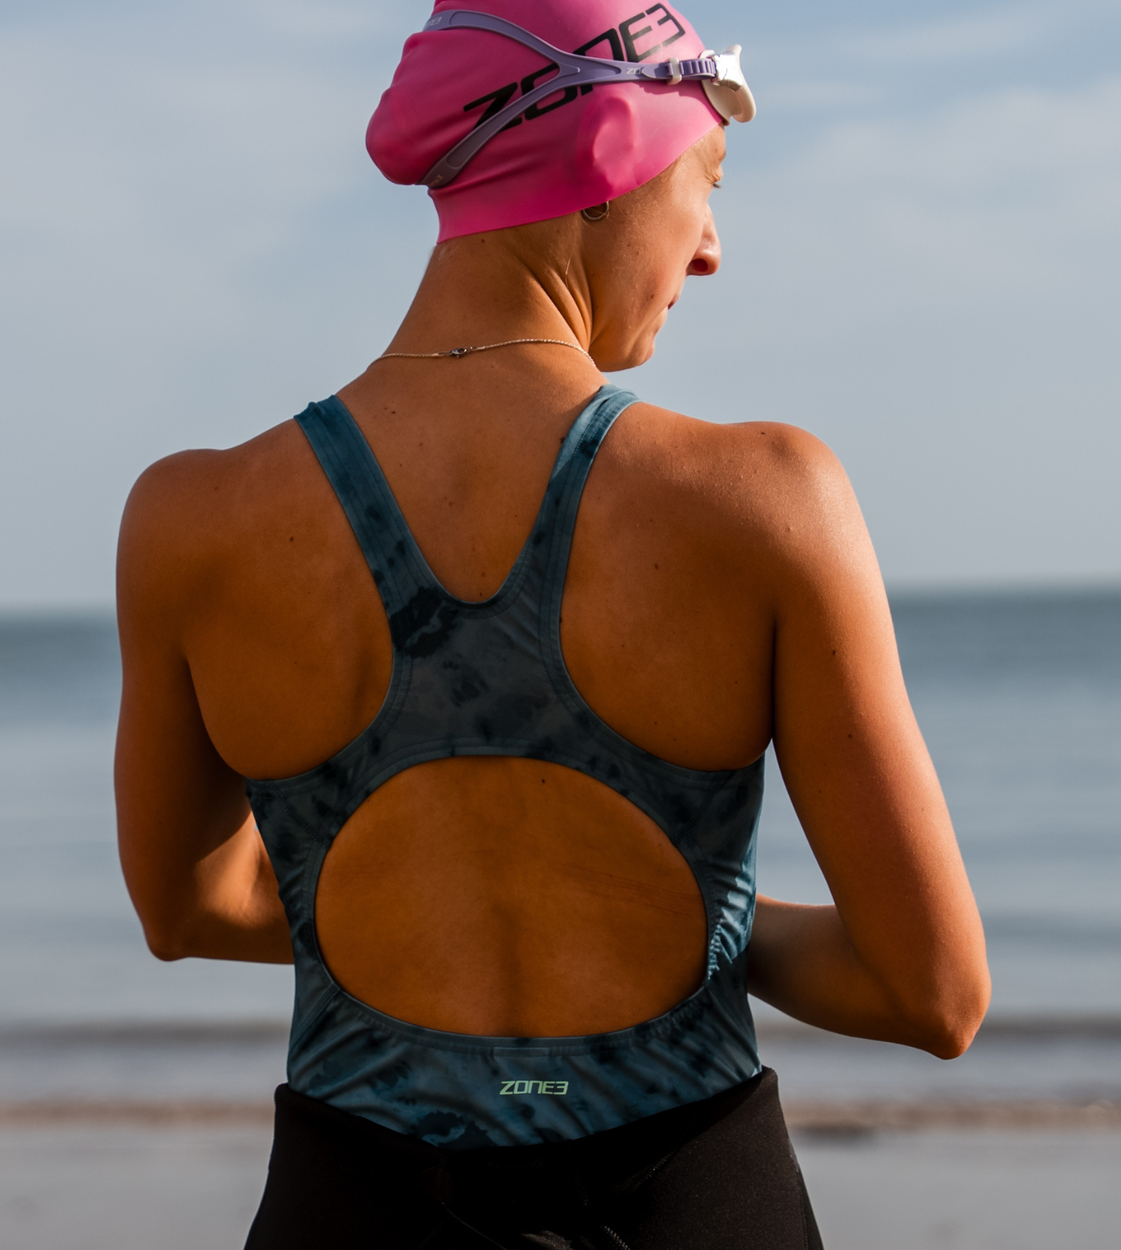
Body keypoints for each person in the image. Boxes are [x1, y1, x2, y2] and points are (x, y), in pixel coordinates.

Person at [115, 2, 988, 1245]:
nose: (710, 254)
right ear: (605, 159)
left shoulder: (189, 520)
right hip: (687, 1200)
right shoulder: (767, 501)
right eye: (707, 184)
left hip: (352, 1206)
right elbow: (934, 990)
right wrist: (669, 920)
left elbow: (188, 909)